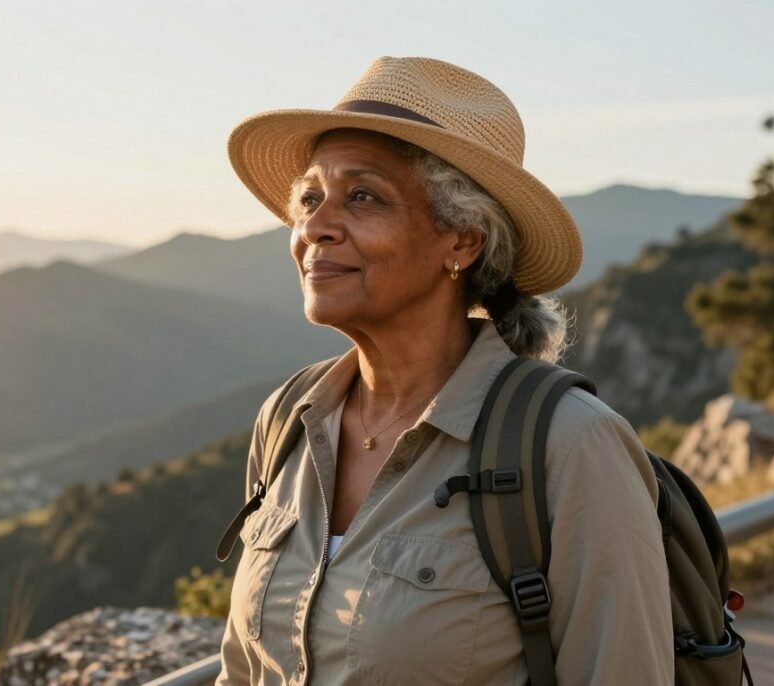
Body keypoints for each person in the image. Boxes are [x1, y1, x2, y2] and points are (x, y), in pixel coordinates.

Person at [215, 57, 674, 685]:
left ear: (462, 240)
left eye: (363, 196)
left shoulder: (571, 445)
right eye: (310, 198)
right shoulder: (289, 420)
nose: (314, 228)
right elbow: (243, 671)